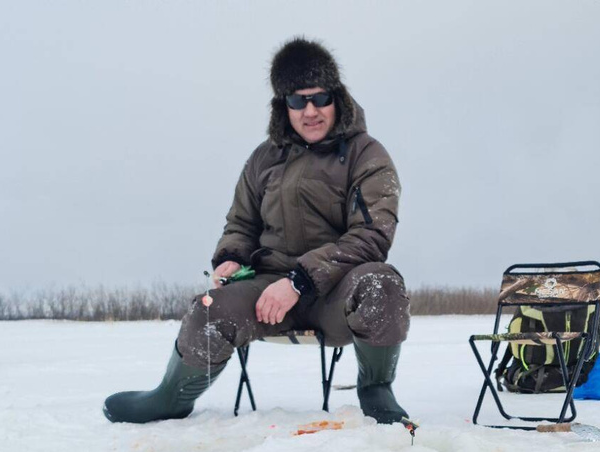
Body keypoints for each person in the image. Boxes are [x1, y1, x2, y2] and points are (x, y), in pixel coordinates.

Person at [103, 38, 411, 425]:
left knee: (382, 283)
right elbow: (241, 223)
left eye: (320, 98)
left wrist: (300, 280)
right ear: (284, 106)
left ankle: (376, 390)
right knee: (208, 311)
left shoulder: (368, 155)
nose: (310, 111)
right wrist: (231, 258)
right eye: (298, 101)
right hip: (266, 292)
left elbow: (372, 236)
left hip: (336, 292)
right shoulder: (264, 158)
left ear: (338, 98)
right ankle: (171, 397)